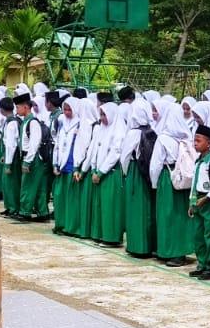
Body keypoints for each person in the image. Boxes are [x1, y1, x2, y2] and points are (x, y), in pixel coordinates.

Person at [151, 101, 195, 266]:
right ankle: (182, 251)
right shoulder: (187, 136)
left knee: (166, 216)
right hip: (184, 179)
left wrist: (154, 184)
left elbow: (155, 165)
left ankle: (169, 251)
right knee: (182, 216)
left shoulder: (163, 138)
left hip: (167, 178)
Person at [123, 98, 160, 259]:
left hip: (135, 173)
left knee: (136, 211)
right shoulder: (152, 130)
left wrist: (126, 173)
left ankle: (138, 246)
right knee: (148, 210)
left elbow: (125, 157)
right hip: (147, 174)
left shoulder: (133, 133)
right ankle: (150, 245)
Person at [89, 100, 127, 246]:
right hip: (99, 173)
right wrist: (94, 168)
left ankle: (111, 238)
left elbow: (115, 153)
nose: (102, 118)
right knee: (100, 205)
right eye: (101, 115)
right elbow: (96, 148)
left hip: (111, 173)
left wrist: (101, 171)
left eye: (104, 115)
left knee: (110, 207)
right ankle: (100, 234)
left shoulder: (118, 131)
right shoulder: (102, 129)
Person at [189, 124, 210, 281]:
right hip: (197, 201)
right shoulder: (198, 162)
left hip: (208, 201)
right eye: (194, 140)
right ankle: (202, 264)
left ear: (209, 143)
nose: (195, 144)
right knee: (198, 234)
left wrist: (206, 198)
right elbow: (194, 183)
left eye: (198, 141)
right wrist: (191, 202)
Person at [12, 94, 50, 222]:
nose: (16, 110)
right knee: (38, 187)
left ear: (25, 107)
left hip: (32, 158)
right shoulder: (26, 122)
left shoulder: (32, 123)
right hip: (30, 157)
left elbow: (34, 144)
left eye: (18, 107)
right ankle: (42, 213)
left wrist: (27, 162)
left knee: (27, 186)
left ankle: (25, 212)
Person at [52, 97, 86, 236]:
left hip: (72, 166)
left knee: (72, 199)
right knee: (60, 198)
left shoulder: (80, 124)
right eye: (64, 109)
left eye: (69, 110)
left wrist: (77, 166)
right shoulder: (62, 123)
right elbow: (57, 144)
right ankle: (60, 224)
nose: (66, 112)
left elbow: (81, 147)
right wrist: (55, 163)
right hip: (61, 165)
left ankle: (71, 227)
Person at [0, 95, 22, 217]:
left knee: (12, 184)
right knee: (6, 184)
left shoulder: (12, 123)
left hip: (13, 157)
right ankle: (9, 206)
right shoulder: (8, 121)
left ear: (2, 109)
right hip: (8, 155)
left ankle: (14, 207)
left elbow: (11, 145)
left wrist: (8, 163)